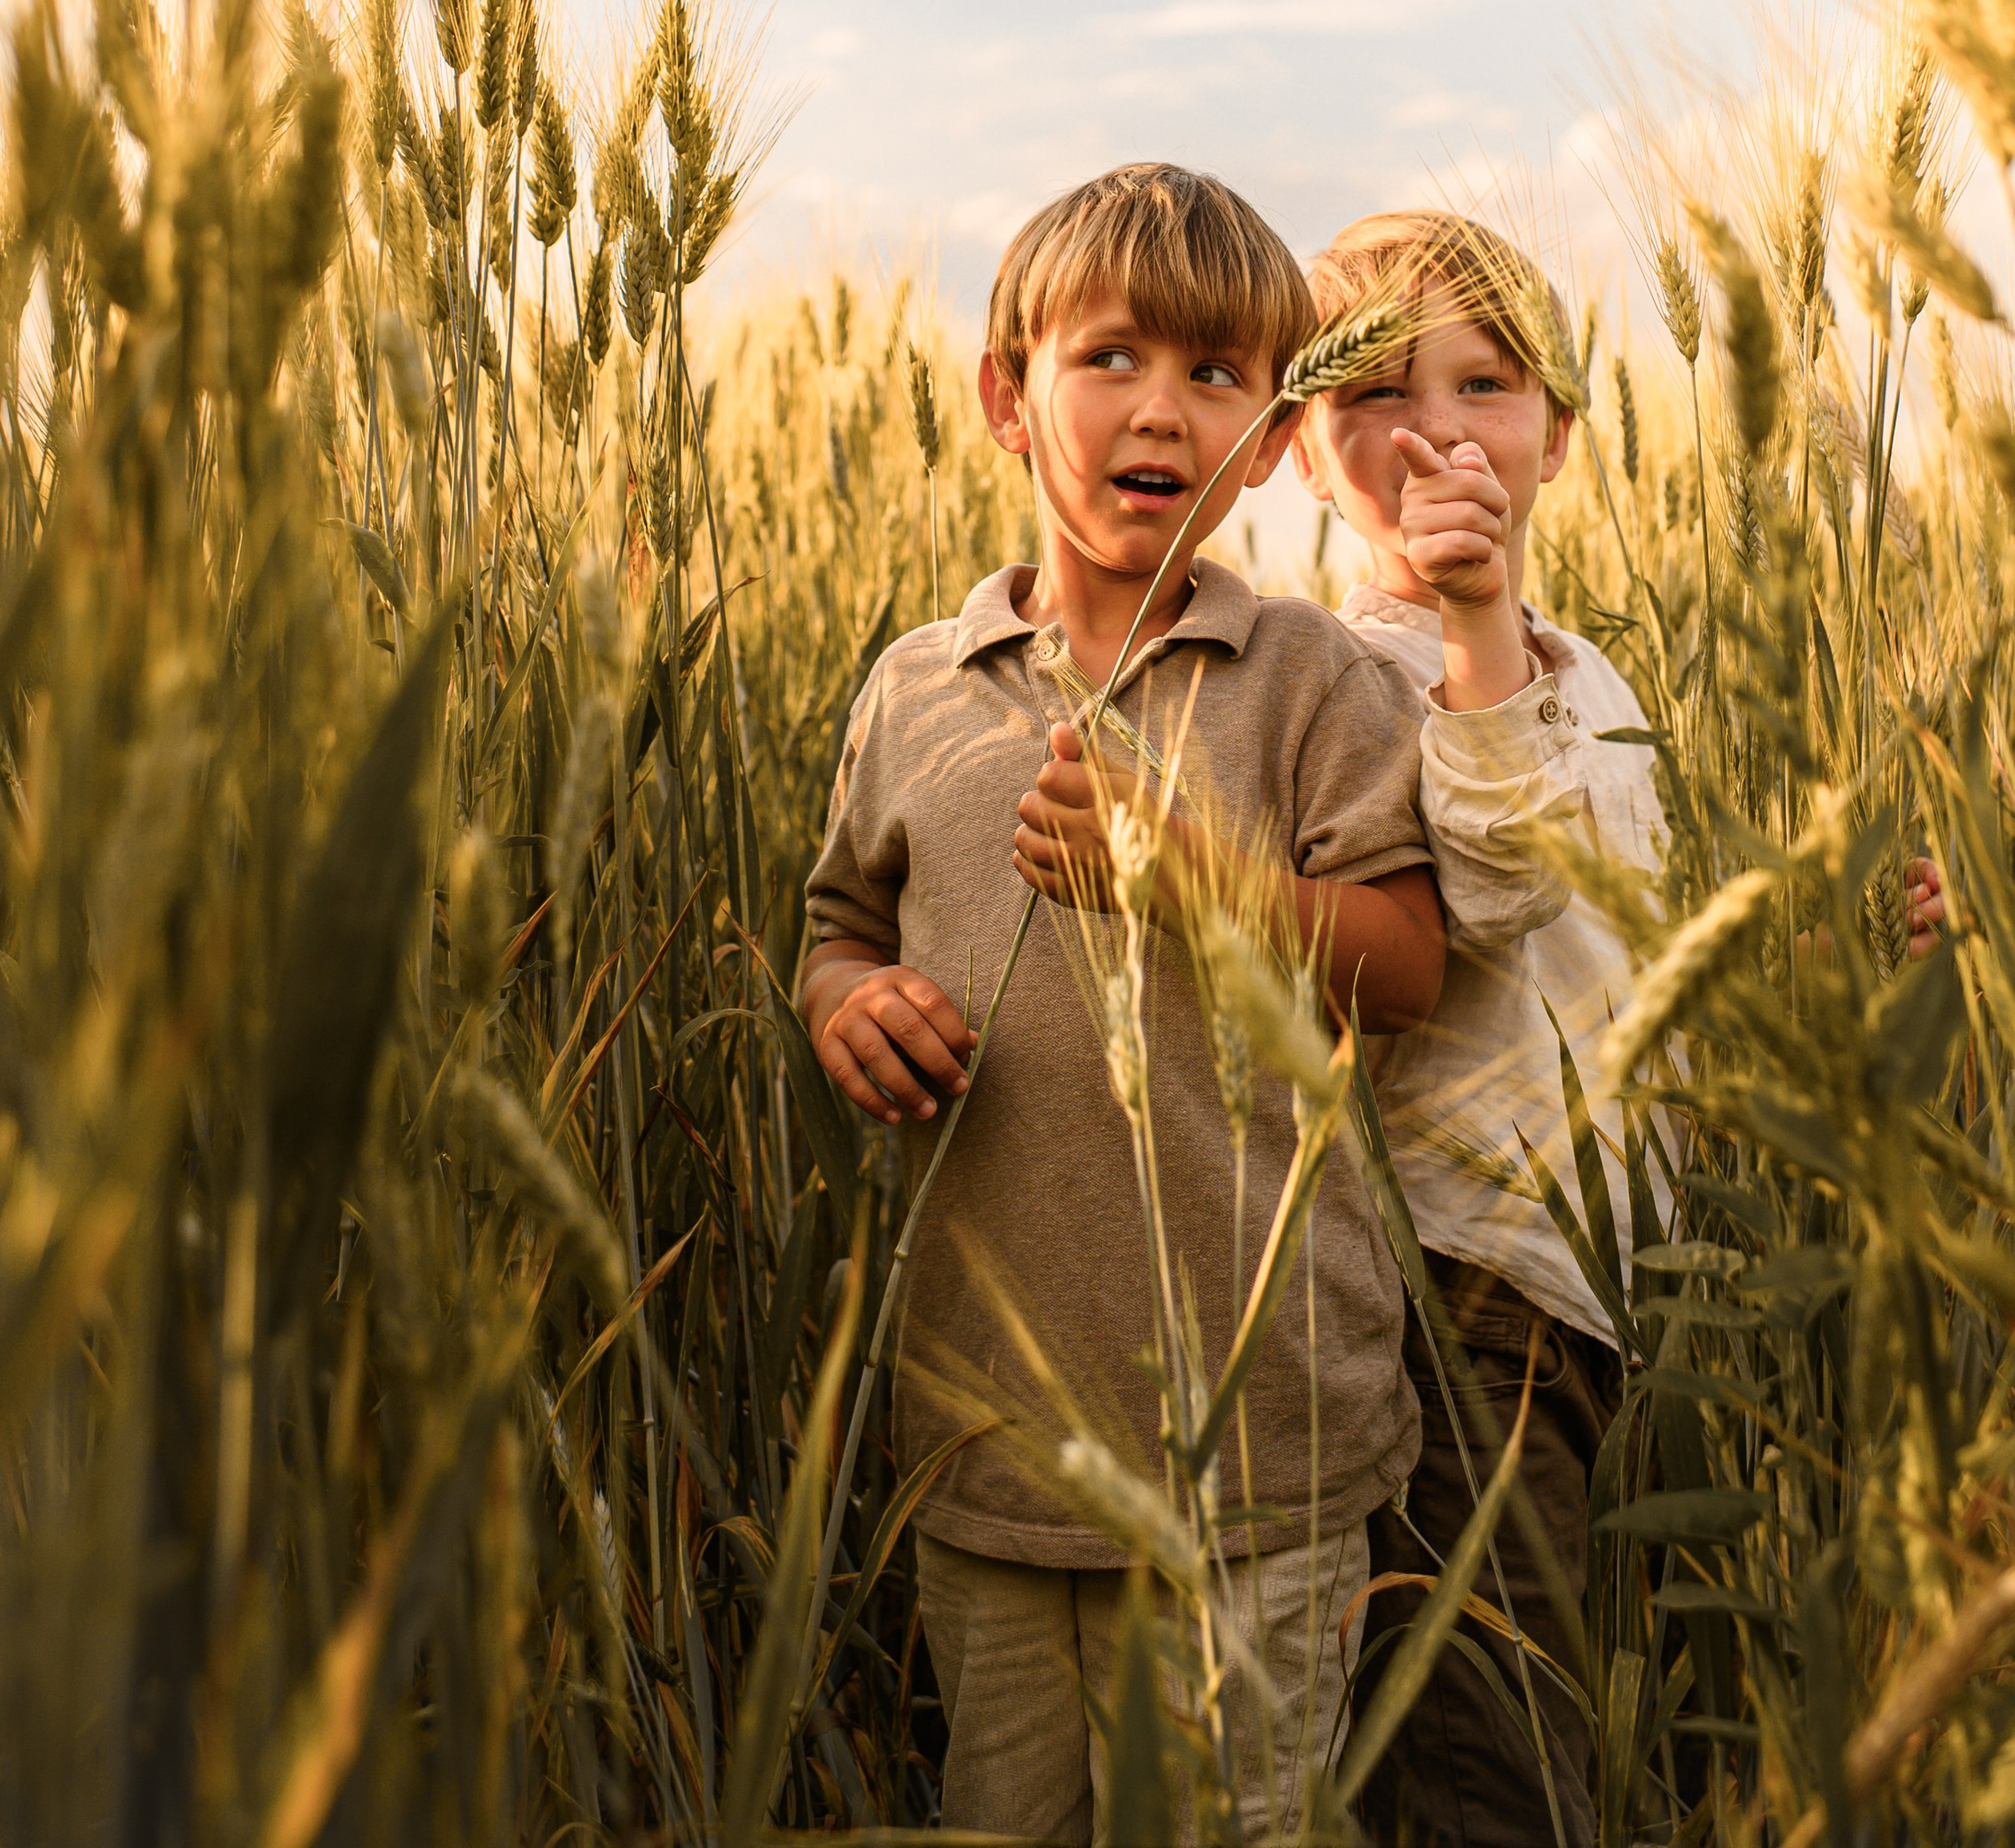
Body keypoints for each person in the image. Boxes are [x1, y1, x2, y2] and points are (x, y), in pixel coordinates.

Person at [801, 162, 1447, 1844]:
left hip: (1262, 1450)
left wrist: (1188, 872)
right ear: (1011, 396)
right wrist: (845, 1006)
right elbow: (835, 923)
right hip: (990, 1437)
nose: (1163, 408)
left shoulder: (1310, 680)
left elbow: (1405, 959)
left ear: (1269, 435)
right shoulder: (917, 690)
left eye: (1220, 375)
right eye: (1113, 360)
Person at [1294, 206, 1945, 1848]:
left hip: (1579, 1291)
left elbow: (1623, 967)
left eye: (1488, 383)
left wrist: (1837, 946)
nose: (1436, 426)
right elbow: (1497, 893)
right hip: (1448, 1297)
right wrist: (1469, 622)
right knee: (1487, 1751)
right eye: (1371, 390)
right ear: (1302, 455)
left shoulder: (1586, 680)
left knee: (1539, 1702)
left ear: (1565, 435)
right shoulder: (1337, 677)